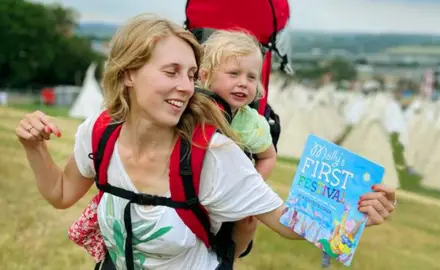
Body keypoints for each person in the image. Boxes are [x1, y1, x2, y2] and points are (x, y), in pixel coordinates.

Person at [15, 14, 396, 270]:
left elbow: (286, 223)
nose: (186, 86)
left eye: (192, 74)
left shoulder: (213, 154)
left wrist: (354, 211)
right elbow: (61, 193)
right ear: (129, 73)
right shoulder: (100, 132)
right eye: (171, 71)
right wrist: (35, 148)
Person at [197, 29, 277, 258]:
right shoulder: (191, 108)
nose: (243, 83)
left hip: (226, 202)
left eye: (251, 77)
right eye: (234, 74)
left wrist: (249, 187)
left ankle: (225, 259)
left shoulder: (252, 124)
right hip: (189, 193)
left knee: (240, 231)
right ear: (205, 76)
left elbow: (268, 156)